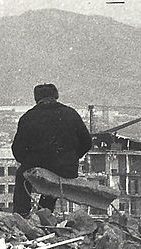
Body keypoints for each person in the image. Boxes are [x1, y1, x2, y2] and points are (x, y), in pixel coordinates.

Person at [11, 83, 92, 215]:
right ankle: (45, 212)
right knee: (51, 182)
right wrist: (70, 157)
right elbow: (87, 142)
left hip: (38, 165)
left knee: (22, 175)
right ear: (56, 96)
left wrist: (30, 161)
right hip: (67, 169)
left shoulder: (28, 117)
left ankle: (21, 213)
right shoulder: (71, 114)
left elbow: (17, 150)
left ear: (36, 98)